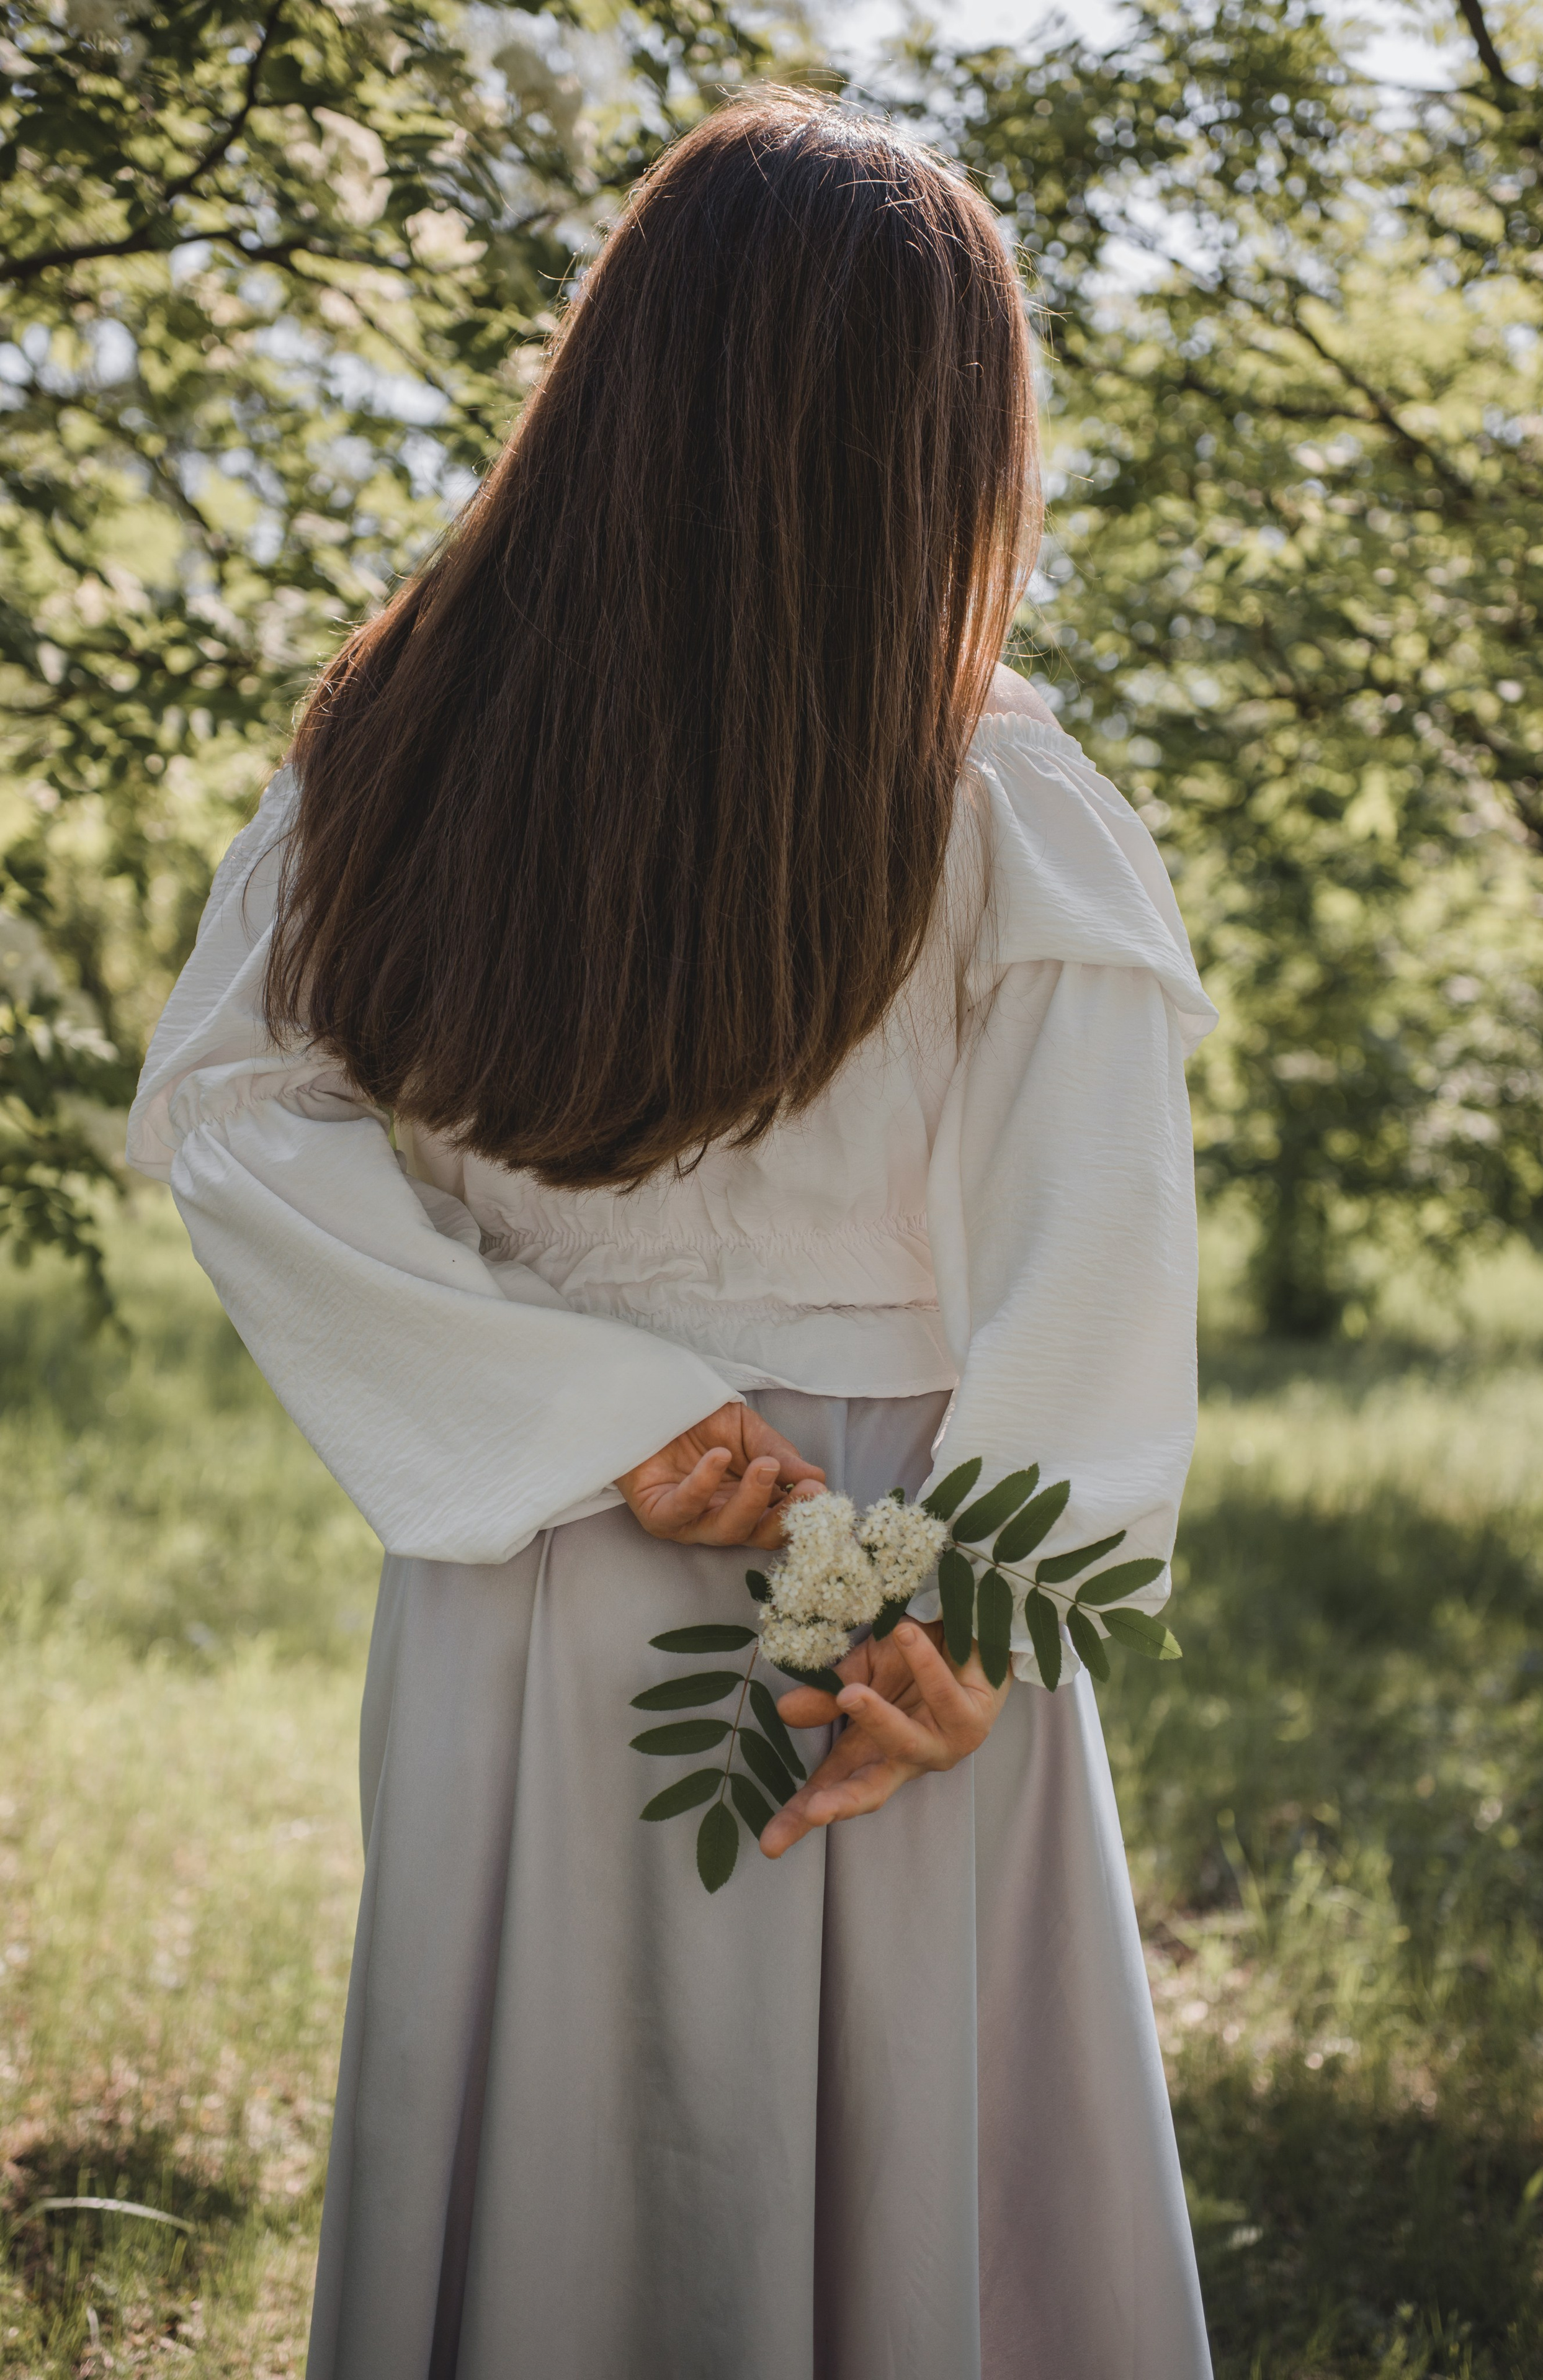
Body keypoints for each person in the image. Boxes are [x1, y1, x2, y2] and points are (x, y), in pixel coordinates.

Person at [128, 90, 1217, 2380]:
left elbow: (235, 1118)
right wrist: (960, 1620)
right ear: (942, 438)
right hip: (889, 1590)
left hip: (555, 1579)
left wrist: (572, 1408)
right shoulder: (996, 796)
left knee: (558, 2185)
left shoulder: (401, 759)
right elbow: (1090, 1251)